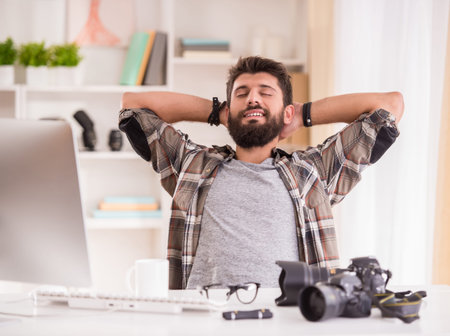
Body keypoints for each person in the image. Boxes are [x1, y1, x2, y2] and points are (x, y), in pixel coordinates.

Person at [119, 56, 403, 290]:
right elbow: (133, 104)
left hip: (285, 321)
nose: (253, 98)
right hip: (202, 320)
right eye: (242, 94)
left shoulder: (312, 173)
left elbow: (390, 106)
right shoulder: (192, 165)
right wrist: (218, 110)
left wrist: (303, 114)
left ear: (286, 113)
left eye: (266, 93)